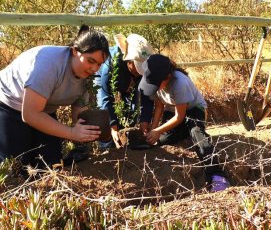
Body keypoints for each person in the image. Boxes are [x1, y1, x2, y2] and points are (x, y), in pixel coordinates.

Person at [0, 25, 110, 168]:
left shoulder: (87, 76)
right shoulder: (49, 64)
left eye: (99, 64)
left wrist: (87, 130)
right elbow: (30, 114)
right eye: (90, 61)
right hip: (7, 103)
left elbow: (78, 112)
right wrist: (71, 133)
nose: (94, 68)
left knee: (50, 165)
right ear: (75, 51)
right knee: (15, 167)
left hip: (43, 110)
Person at [138, 54, 230, 192]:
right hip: (173, 109)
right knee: (164, 140)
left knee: (196, 132)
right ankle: (184, 132)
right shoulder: (156, 83)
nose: (154, 88)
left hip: (194, 109)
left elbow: (179, 116)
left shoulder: (180, 83)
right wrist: (154, 129)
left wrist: (158, 131)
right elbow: (159, 107)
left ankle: (217, 175)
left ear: (167, 77)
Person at [94, 33, 154, 148]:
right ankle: (106, 146)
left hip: (129, 77)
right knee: (103, 113)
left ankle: (127, 139)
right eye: (137, 67)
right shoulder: (110, 64)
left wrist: (145, 119)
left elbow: (147, 94)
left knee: (132, 109)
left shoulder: (141, 70)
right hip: (103, 78)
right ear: (129, 61)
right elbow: (106, 97)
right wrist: (112, 126)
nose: (140, 71)